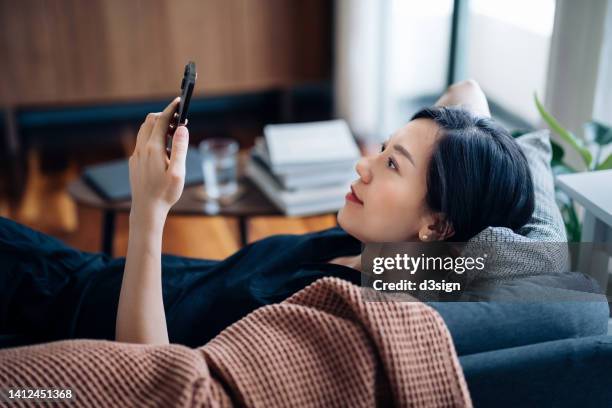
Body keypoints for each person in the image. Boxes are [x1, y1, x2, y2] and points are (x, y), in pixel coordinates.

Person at [0, 80, 535, 347]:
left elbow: (149, 377)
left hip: (64, 325)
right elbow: (469, 93)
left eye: (391, 163)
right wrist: (475, 162)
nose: (364, 165)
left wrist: (149, 211)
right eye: (382, 148)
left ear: (437, 226)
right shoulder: (374, 249)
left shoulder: (335, 316)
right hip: (84, 278)